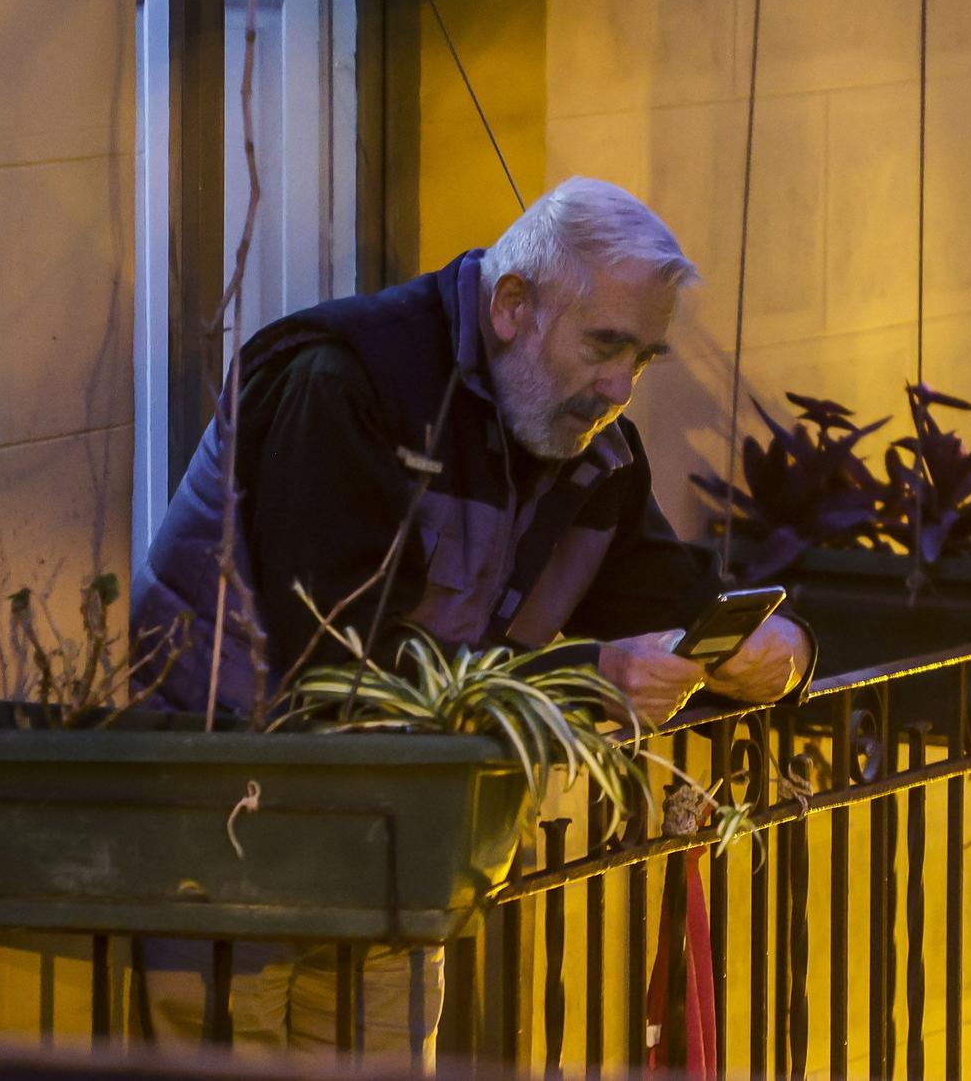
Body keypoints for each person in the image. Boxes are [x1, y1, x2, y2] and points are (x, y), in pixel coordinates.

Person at [128, 177, 815, 1054]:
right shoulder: (345, 382)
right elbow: (337, 667)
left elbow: (671, 600)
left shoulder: (586, 445)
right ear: (512, 306)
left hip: (398, 840)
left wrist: (784, 649)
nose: (619, 386)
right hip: (231, 831)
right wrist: (587, 679)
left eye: (643, 358)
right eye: (605, 344)